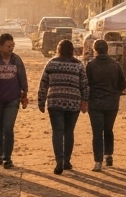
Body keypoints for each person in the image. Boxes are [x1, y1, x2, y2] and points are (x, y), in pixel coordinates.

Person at [38, 38, 90, 175]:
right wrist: (85, 100)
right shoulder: (78, 65)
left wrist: (41, 101)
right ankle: (66, 161)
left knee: (57, 131)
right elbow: (84, 85)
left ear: (58, 50)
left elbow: (43, 83)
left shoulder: (52, 63)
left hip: (55, 102)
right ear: (72, 51)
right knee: (69, 132)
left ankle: (59, 160)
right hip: (73, 102)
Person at [0, 33, 29, 169]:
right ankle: (1, 154)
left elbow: (22, 77)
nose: (11, 48)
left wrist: (24, 93)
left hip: (12, 100)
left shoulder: (16, 60)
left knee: (8, 128)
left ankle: (7, 157)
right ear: (0, 46)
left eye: (12, 45)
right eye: (8, 46)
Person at [84, 39, 126, 171]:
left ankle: (98, 162)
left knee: (97, 133)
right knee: (108, 130)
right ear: (107, 50)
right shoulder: (115, 65)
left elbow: (86, 84)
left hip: (95, 102)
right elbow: (123, 84)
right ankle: (108, 155)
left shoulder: (91, 66)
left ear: (95, 50)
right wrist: (115, 93)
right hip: (111, 102)